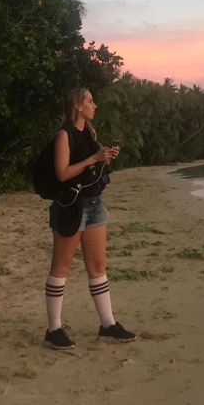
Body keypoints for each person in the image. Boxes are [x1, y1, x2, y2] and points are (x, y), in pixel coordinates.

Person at [43, 87, 136, 349]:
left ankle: (108, 325)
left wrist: (103, 158)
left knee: (98, 267)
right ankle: (54, 329)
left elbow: (89, 171)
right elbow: (62, 173)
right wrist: (94, 157)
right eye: (90, 101)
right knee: (61, 268)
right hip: (71, 208)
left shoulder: (90, 134)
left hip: (94, 205)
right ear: (78, 106)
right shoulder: (64, 135)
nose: (95, 105)